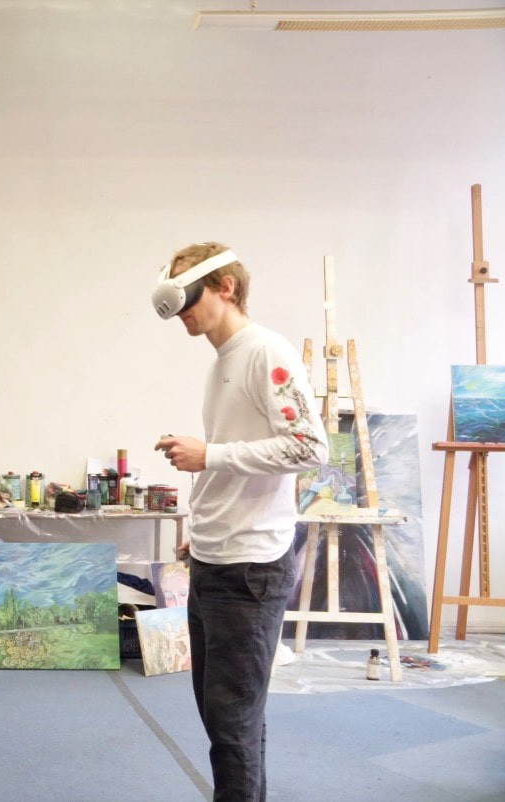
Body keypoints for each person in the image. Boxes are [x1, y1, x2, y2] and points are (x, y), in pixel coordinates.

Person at [153, 242, 327, 802]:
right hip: (214, 558)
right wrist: (202, 522)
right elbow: (236, 453)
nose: (180, 311)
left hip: (250, 568)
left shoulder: (264, 351)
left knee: (232, 725)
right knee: (226, 719)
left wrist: (210, 455)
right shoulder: (221, 362)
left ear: (225, 287)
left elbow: (310, 447)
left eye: (188, 296)